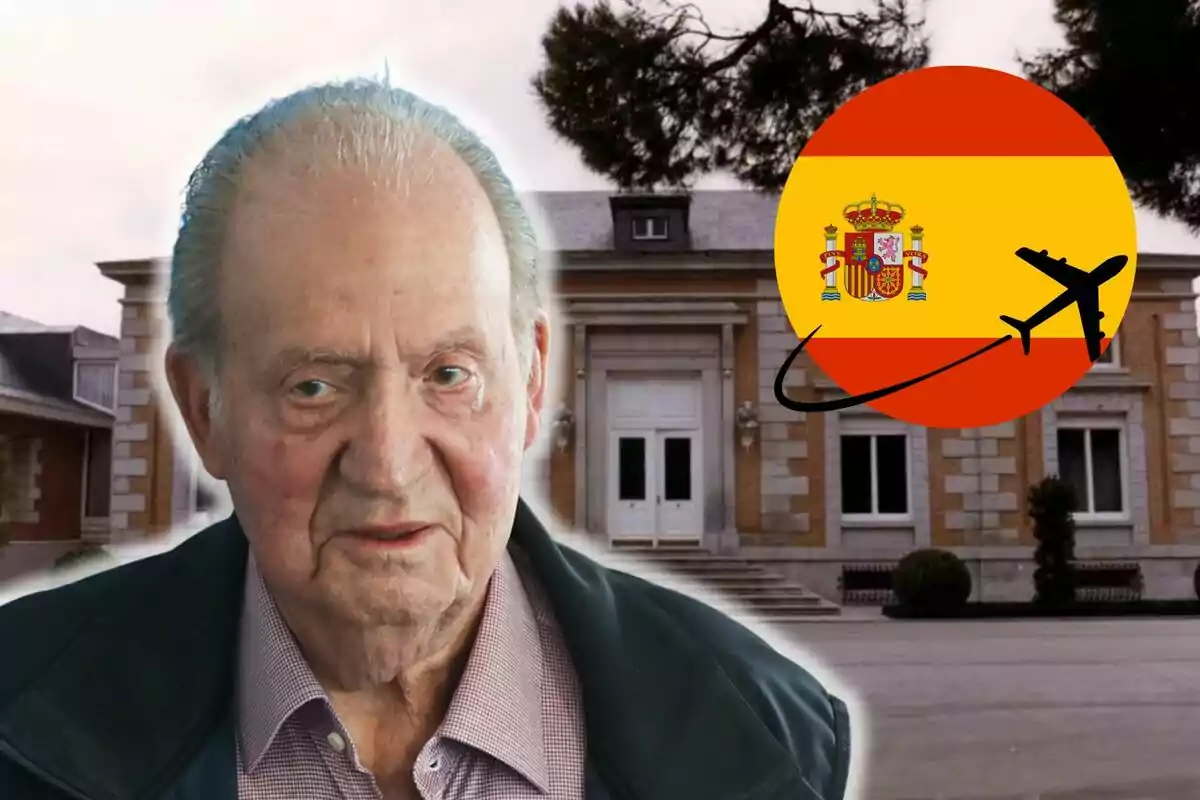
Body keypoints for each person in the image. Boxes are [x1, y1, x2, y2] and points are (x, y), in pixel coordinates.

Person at [0, 78, 852, 800]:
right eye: (313, 387)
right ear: (204, 410)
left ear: (528, 385)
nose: (388, 463)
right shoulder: (18, 710)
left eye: (448, 374)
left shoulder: (773, 739)